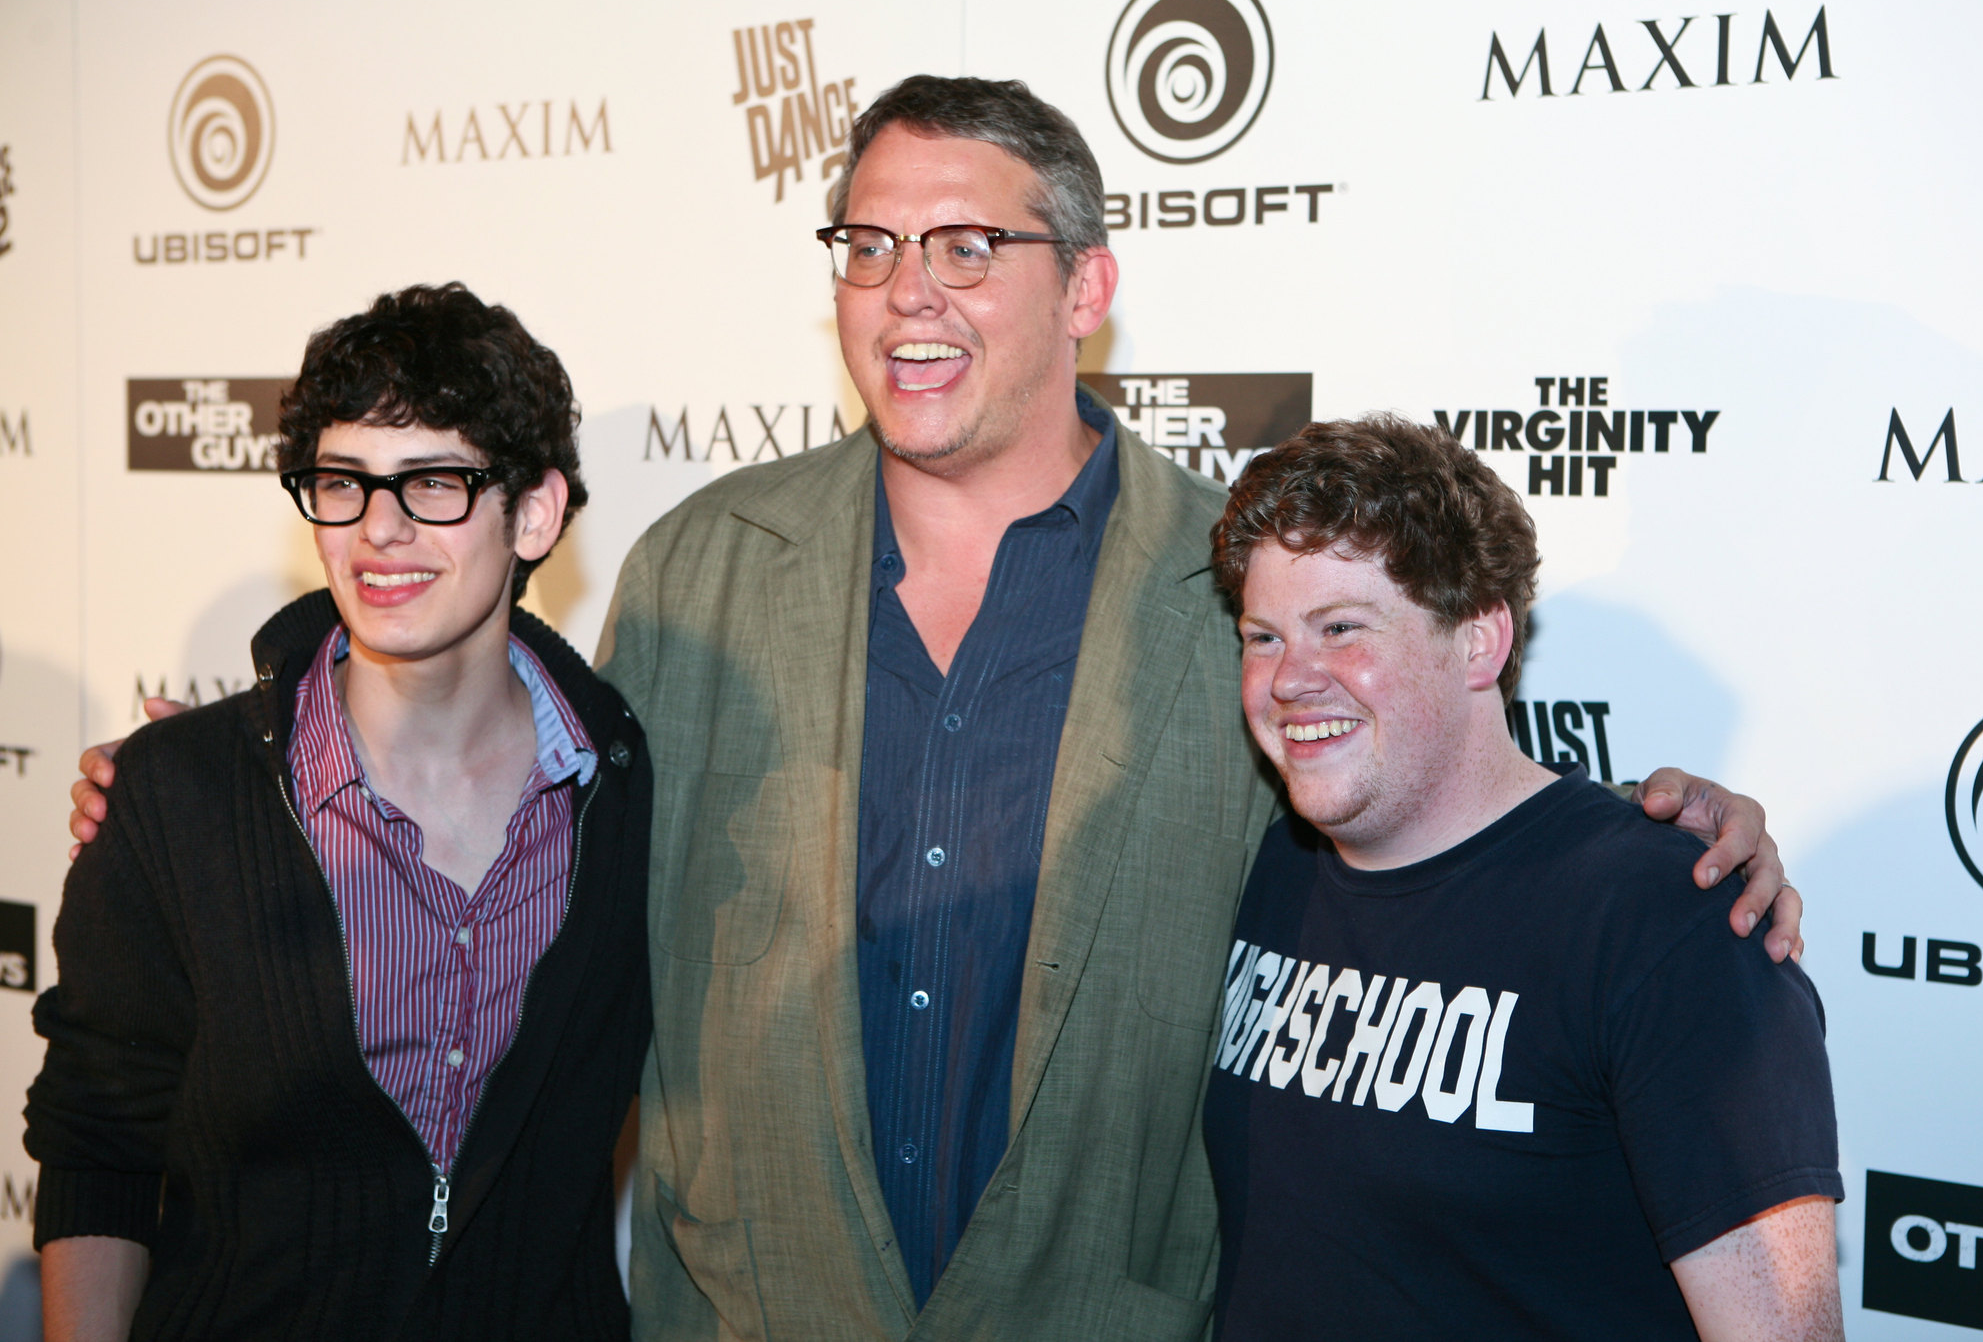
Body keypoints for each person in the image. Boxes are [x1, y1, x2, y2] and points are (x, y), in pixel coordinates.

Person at [71, 80, 1796, 1339]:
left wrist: (1651, 836)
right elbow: (497, 695)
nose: (908, 290)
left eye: (969, 243)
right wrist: (210, 775)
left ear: (1090, 285)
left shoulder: (1230, 582)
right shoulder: (700, 564)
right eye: (870, 244)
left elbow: (1414, 802)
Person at [32, 283, 651, 1342]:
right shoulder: (182, 797)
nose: (379, 531)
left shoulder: (629, 788)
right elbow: (99, 1148)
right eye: (343, 483)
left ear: (535, 513)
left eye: (435, 485)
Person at [1204, 415, 1842, 1340]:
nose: (1291, 677)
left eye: (1341, 627)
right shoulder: (1276, 866)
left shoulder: (1670, 923)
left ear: (1479, 641)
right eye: (1263, 637)